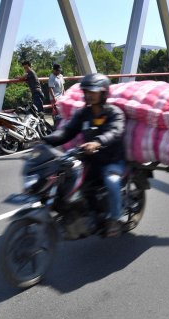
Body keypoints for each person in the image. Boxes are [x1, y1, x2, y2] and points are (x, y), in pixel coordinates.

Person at [42, 73, 126, 237]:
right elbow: (67, 131)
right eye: (86, 91)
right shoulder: (83, 114)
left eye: (92, 91)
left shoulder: (114, 113)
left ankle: (115, 219)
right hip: (90, 160)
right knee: (67, 179)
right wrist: (46, 140)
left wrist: (98, 142)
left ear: (103, 93)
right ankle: (81, 215)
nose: (88, 95)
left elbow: (115, 131)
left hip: (111, 160)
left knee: (112, 181)